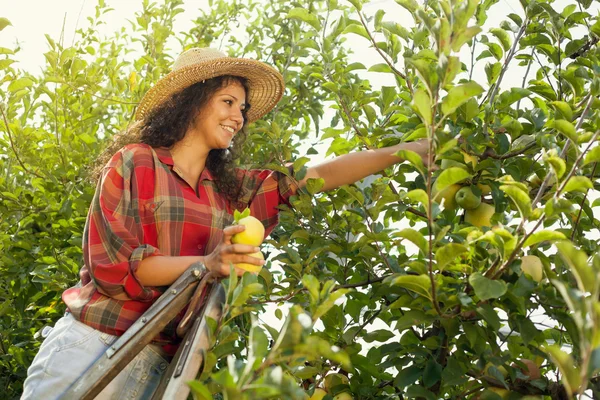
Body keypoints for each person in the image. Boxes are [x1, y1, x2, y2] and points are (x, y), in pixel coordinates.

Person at [21, 47, 429, 399]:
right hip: (94, 344)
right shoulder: (136, 162)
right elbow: (115, 268)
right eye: (228, 102)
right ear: (192, 101)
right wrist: (207, 264)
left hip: (160, 367)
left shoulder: (226, 190)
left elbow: (311, 177)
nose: (239, 116)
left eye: (243, 108)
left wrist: (405, 151)